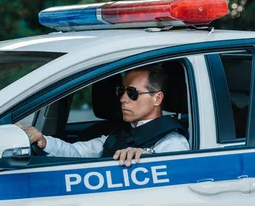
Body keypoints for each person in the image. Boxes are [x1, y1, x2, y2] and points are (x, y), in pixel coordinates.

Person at [21, 65, 189, 166]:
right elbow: (76, 152)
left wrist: (146, 155)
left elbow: (176, 172)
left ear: (157, 98)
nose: (123, 99)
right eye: (121, 91)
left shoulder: (173, 142)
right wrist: (43, 141)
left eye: (132, 93)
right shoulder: (118, 133)